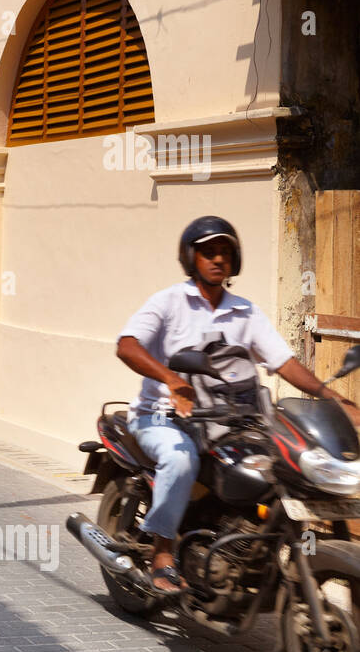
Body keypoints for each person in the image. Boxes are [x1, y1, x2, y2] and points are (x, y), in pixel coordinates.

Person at [116, 216, 360, 594]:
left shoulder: (245, 311)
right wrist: (173, 379)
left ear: (235, 259)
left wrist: (334, 398)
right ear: (190, 258)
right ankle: (163, 552)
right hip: (162, 417)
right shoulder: (167, 303)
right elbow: (127, 346)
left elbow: (284, 362)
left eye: (225, 252)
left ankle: (251, 549)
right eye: (208, 252)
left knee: (282, 468)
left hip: (229, 419)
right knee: (181, 460)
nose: (217, 259)